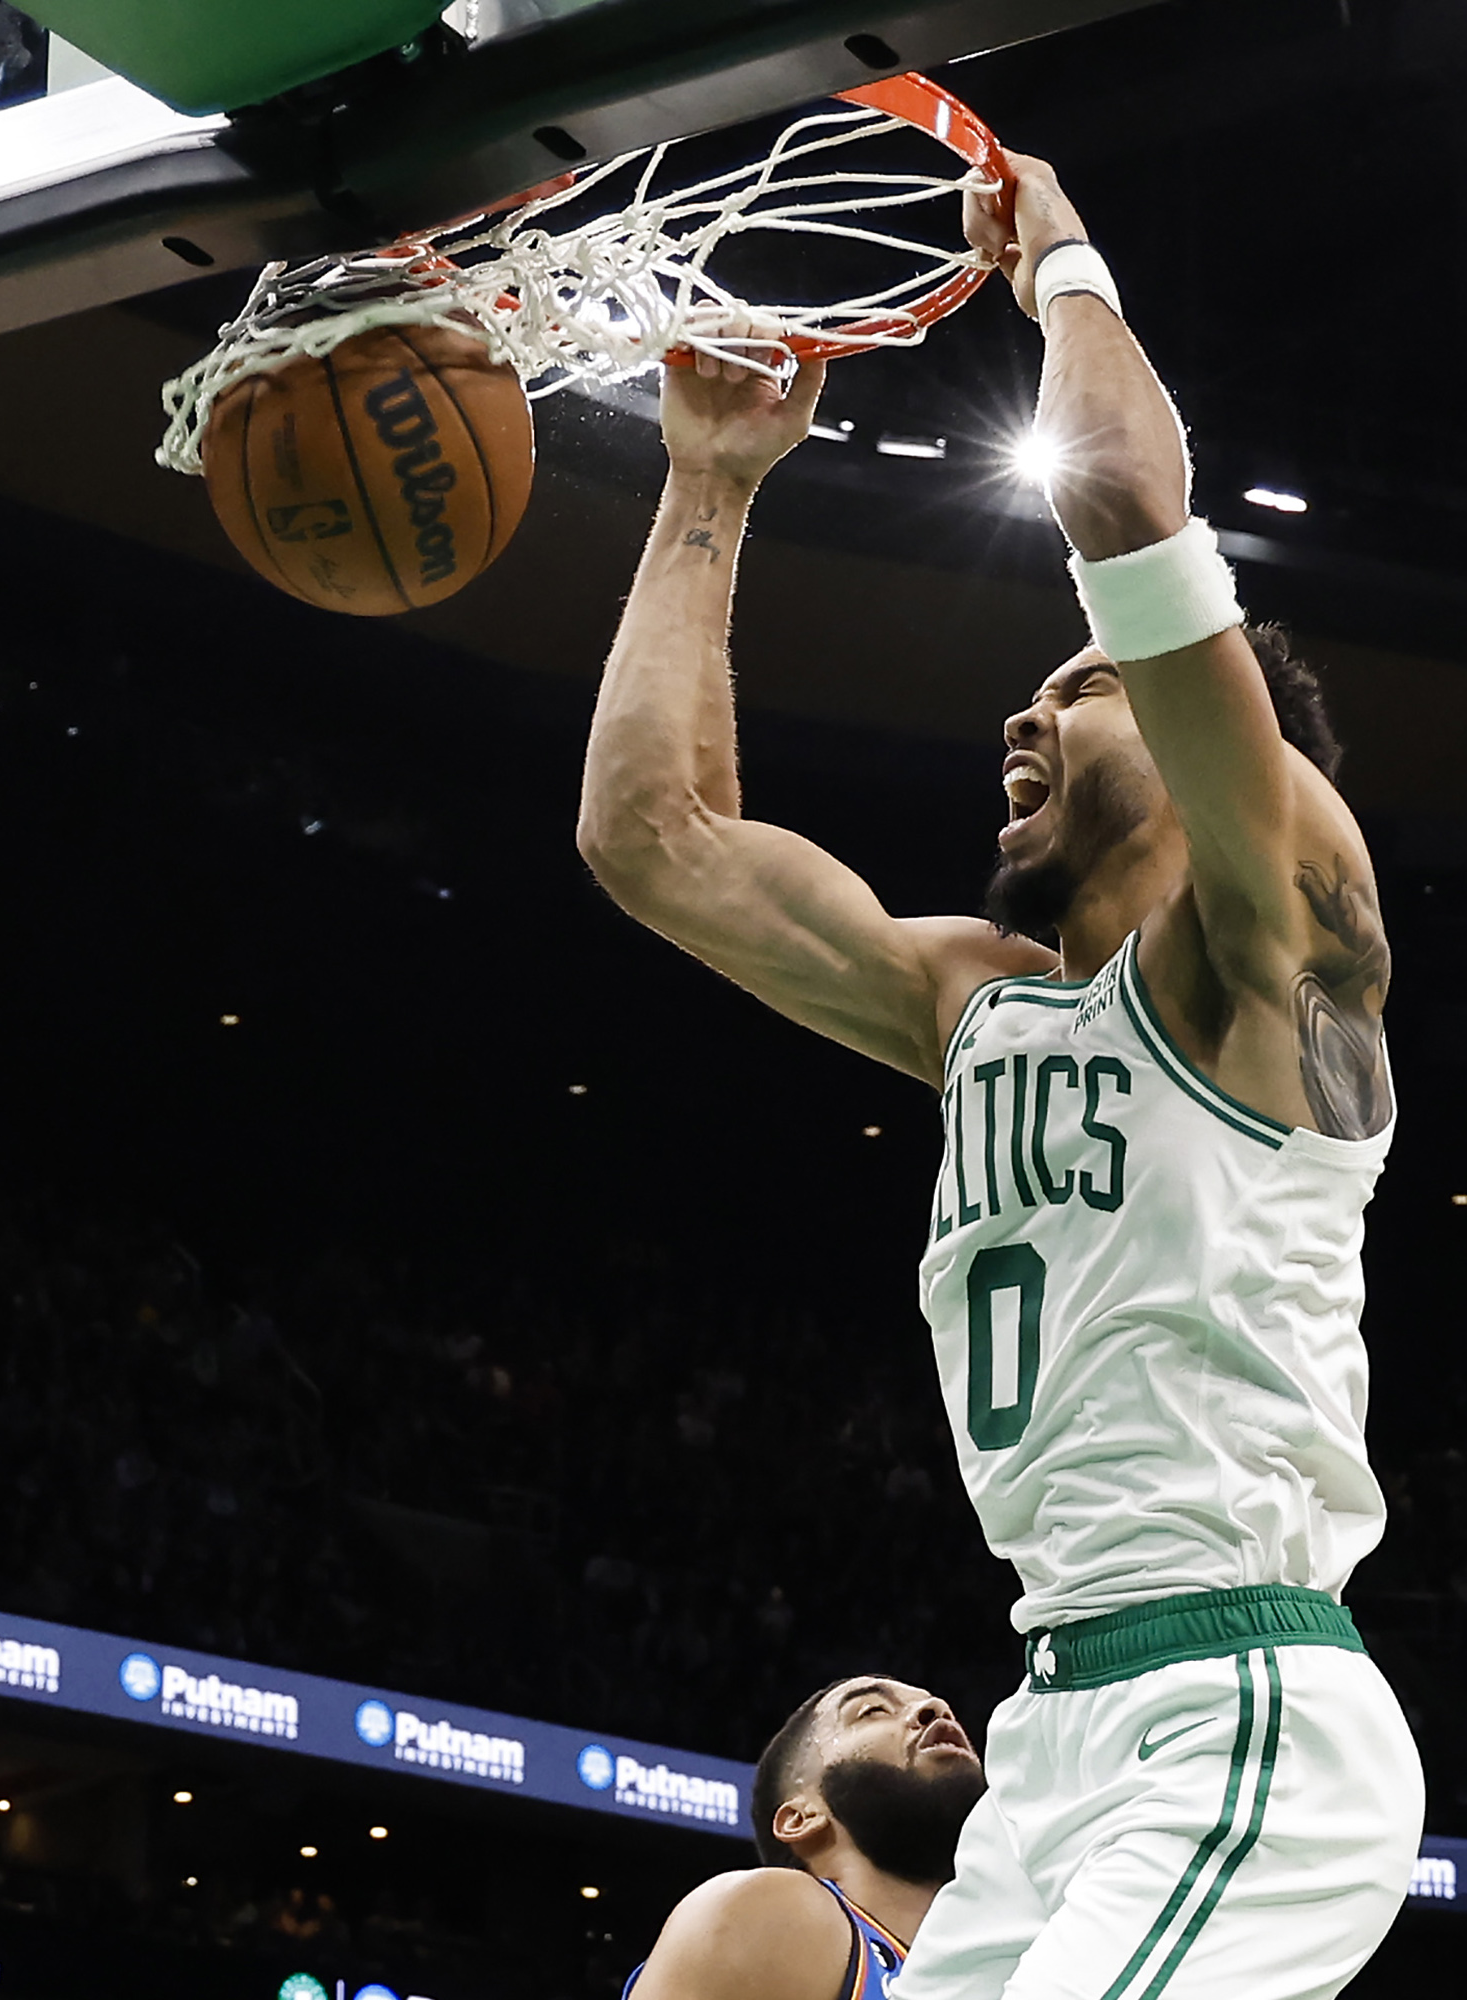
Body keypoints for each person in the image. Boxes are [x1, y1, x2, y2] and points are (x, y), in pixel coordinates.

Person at [578, 147, 1422, 2000]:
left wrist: (1060, 263)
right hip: (1056, 1731)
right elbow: (654, 841)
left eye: (1083, 684)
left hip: (1241, 1701)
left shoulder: (1280, 943)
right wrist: (707, 486)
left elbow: (1120, 493)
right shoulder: (980, 1005)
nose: (1026, 709)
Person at [626, 1677, 987, 2000]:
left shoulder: (1015, 1956)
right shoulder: (773, 1912)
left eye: (939, 1704)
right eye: (873, 1711)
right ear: (801, 1817)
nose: (935, 1709)